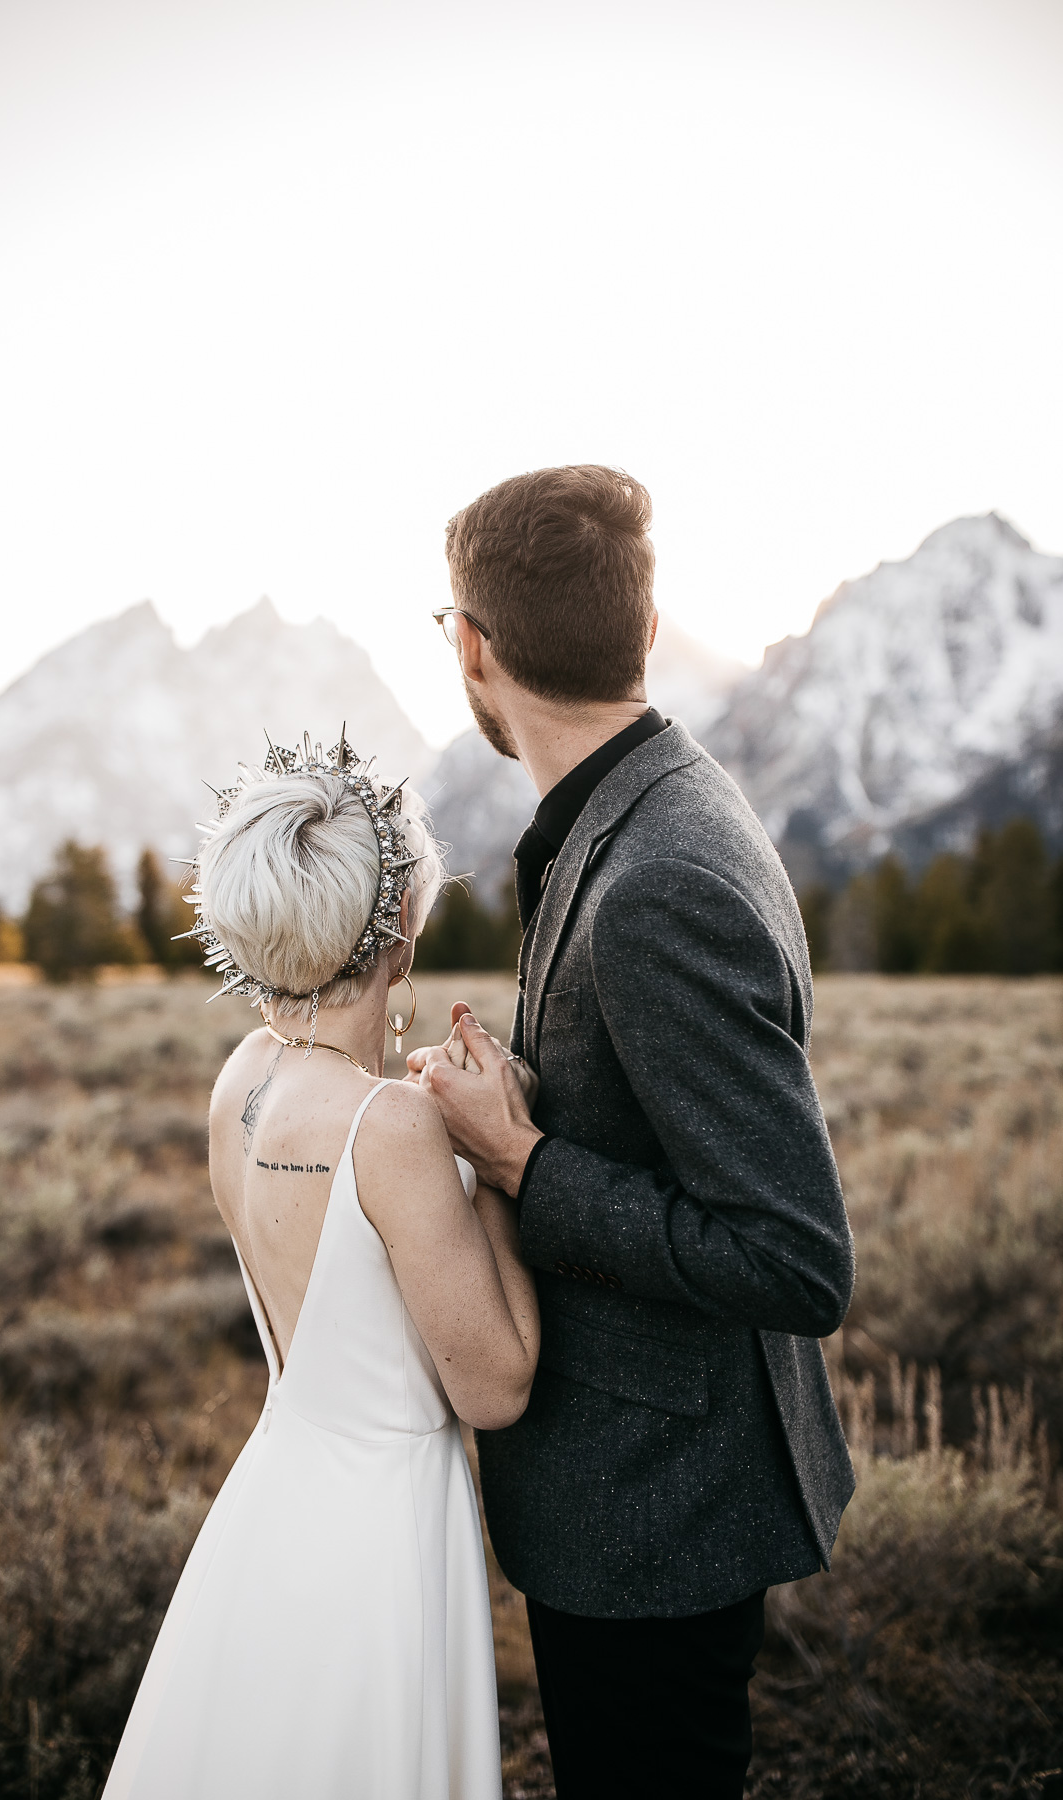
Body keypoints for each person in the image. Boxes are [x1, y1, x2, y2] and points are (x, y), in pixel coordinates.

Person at [409, 466, 856, 1800]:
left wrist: (521, 1162)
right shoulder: (645, 804)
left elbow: (794, 1259)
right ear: (644, 629)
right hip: (649, 1490)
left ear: (474, 650)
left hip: (658, 1510)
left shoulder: (659, 877)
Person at [103, 735, 539, 1800]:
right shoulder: (390, 1127)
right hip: (379, 1534)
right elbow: (497, 1385)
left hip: (276, 1496)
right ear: (396, 929)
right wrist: (501, 1156)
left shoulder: (241, 1078)